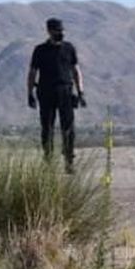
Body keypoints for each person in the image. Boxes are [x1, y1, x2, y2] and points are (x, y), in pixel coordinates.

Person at [27, 17, 86, 173]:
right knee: (47, 128)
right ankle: (48, 162)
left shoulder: (69, 48)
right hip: (45, 92)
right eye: (57, 31)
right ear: (49, 31)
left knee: (68, 128)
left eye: (62, 30)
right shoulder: (40, 50)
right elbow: (33, 72)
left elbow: (76, 70)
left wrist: (81, 92)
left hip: (65, 91)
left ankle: (69, 162)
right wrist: (30, 93)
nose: (60, 33)